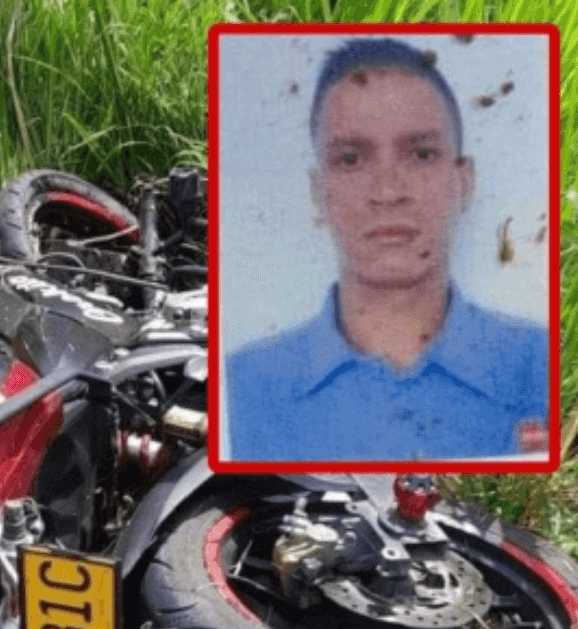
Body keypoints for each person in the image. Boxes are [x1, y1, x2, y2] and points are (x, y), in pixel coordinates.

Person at [224, 37, 548, 462]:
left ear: (462, 183)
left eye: (421, 153)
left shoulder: (538, 369)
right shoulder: (243, 388)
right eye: (352, 159)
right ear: (319, 193)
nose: (388, 191)